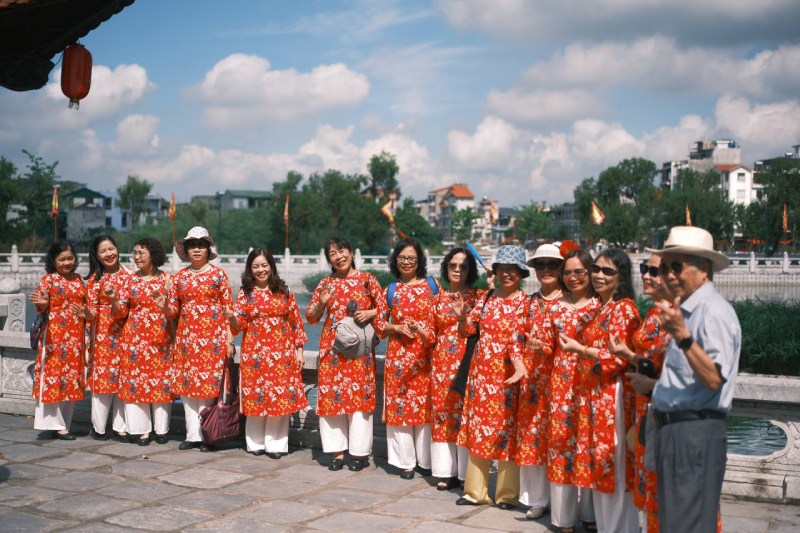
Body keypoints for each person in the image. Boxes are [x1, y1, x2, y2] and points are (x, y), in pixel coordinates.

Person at [645, 226, 740, 533]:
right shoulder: (688, 311)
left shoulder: (712, 312)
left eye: (676, 266)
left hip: (694, 432)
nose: (668, 275)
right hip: (677, 431)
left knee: (688, 525)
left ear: (703, 270)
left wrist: (683, 336)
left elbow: (714, 378)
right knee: (676, 524)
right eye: (664, 268)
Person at [560, 249, 641, 533]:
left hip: (613, 395)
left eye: (608, 271)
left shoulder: (624, 309)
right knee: (601, 465)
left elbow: (619, 358)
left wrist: (580, 349)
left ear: (622, 276)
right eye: (596, 269)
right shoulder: (602, 307)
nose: (599, 275)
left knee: (614, 464)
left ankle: (621, 528)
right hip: (596, 396)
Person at [450, 245, 529, 509]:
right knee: (478, 431)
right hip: (481, 376)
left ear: (521, 273)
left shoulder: (527, 303)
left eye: (512, 269)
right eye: (502, 269)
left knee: (507, 431)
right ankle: (475, 492)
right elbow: (469, 330)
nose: (506, 274)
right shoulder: (487, 298)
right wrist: (462, 318)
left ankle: (507, 494)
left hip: (509, 377)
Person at [306, 237, 382, 472]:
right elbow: (311, 317)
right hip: (333, 351)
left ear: (351, 252)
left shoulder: (368, 280)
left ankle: (358, 454)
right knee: (332, 400)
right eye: (332, 253)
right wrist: (322, 303)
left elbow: (386, 310)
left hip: (359, 352)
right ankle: (337, 452)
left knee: (359, 402)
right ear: (328, 259)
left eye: (341, 251)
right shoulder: (325, 283)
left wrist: (371, 313)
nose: (338, 256)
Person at [609, 254, 672, 532]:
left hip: (663, 407)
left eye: (654, 271)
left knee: (660, 484)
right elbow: (649, 362)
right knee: (647, 479)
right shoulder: (652, 312)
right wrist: (626, 353)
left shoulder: (674, 315)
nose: (646, 275)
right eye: (645, 269)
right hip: (643, 404)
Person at [225, 248, 308, 459]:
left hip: (282, 353)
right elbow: (238, 325)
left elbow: (295, 322)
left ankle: (276, 445)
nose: (260, 270)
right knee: (255, 396)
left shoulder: (284, 291)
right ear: (250, 269)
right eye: (256, 266)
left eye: (264, 265)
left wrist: (299, 350)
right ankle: (255, 443)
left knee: (278, 398)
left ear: (271, 266)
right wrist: (231, 317)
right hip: (254, 354)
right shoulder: (245, 293)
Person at [543, 248, 600, 533]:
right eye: (567, 272)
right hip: (562, 386)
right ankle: (564, 518)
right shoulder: (554, 307)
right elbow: (546, 345)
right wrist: (536, 346)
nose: (573, 277)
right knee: (561, 447)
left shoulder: (601, 306)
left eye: (579, 271)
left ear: (590, 272)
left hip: (592, 385)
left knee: (588, 447)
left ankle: (591, 514)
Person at [374, 238, 437, 480]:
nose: (407, 262)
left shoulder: (433, 286)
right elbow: (379, 323)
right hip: (398, 359)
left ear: (420, 260)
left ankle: (426, 461)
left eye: (411, 258)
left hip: (426, 358)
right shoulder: (390, 290)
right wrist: (397, 327)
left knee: (425, 410)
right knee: (400, 410)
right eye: (402, 258)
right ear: (395, 261)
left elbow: (443, 316)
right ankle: (405, 462)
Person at [167, 227, 234, 452]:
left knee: (208, 387)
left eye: (201, 245)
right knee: (187, 388)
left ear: (207, 249)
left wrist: (229, 340)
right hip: (186, 340)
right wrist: (162, 305)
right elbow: (172, 312)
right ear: (186, 250)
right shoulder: (179, 278)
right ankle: (192, 436)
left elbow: (228, 310)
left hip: (212, 339)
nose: (196, 249)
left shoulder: (218, 275)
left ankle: (208, 435)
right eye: (192, 245)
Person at [516, 243, 565, 520]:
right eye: (541, 265)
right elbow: (514, 339)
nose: (546, 270)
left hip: (561, 382)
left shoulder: (570, 302)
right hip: (531, 382)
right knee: (532, 439)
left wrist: (544, 349)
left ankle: (562, 502)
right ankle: (536, 498)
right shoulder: (528, 302)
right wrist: (520, 362)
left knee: (558, 439)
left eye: (552, 265)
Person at [430, 247, 485, 490]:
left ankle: (465, 474)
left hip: (469, 362)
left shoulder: (480, 297)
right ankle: (445, 471)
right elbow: (431, 332)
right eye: (453, 265)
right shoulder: (438, 299)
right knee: (443, 416)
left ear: (470, 270)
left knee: (465, 417)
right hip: (441, 364)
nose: (457, 269)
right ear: (446, 267)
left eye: (463, 266)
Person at [118, 238, 175, 446]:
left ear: (153, 255)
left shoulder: (168, 280)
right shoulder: (129, 281)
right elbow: (121, 312)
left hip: (160, 339)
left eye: (141, 253)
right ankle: (141, 430)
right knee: (136, 383)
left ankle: (161, 430)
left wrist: (164, 306)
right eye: (135, 253)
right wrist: (114, 299)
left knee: (161, 383)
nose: (137, 257)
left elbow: (173, 312)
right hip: (133, 340)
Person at [30, 240, 86, 440]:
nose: (67, 262)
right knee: (52, 378)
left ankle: (64, 423)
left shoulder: (79, 280)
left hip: (76, 337)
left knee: (70, 378)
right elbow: (42, 304)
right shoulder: (48, 280)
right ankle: (56, 425)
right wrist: (43, 303)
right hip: (54, 336)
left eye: (70, 258)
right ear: (53, 261)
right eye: (62, 259)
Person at [84, 235, 133, 441]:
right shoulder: (95, 280)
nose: (109, 254)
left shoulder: (130, 275)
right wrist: (86, 315)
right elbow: (92, 313)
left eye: (111, 248)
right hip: (104, 333)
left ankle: (120, 427)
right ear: (96, 256)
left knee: (123, 378)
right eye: (103, 251)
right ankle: (99, 427)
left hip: (128, 331)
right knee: (103, 379)